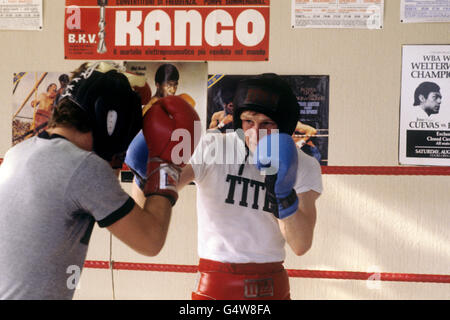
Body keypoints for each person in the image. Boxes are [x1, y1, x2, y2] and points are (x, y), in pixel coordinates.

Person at [0, 62, 199, 300]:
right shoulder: (83, 167)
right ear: (112, 121)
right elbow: (150, 240)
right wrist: (165, 165)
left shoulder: (20, 152)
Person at [126, 73, 322, 300]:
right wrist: (145, 172)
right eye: (249, 122)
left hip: (271, 287)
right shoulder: (212, 147)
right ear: (239, 120)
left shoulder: (304, 164)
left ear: (285, 125)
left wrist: (283, 194)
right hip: (215, 285)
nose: (255, 133)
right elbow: (146, 205)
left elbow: (301, 244)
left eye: (266, 123)